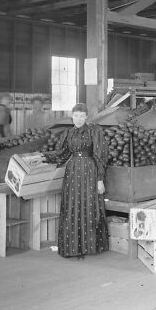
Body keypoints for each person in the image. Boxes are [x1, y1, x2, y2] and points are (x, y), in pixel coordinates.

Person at [48, 103, 109, 258]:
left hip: (90, 170)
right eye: (76, 115)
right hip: (73, 170)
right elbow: (61, 153)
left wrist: (100, 180)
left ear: (86, 116)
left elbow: (100, 156)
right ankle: (72, 247)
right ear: (72, 116)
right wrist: (42, 157)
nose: (79, 119)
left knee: (90, 204)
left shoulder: (94, 132)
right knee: (72, 204)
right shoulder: (68, 133)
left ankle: (90, 246)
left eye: (82, 116)